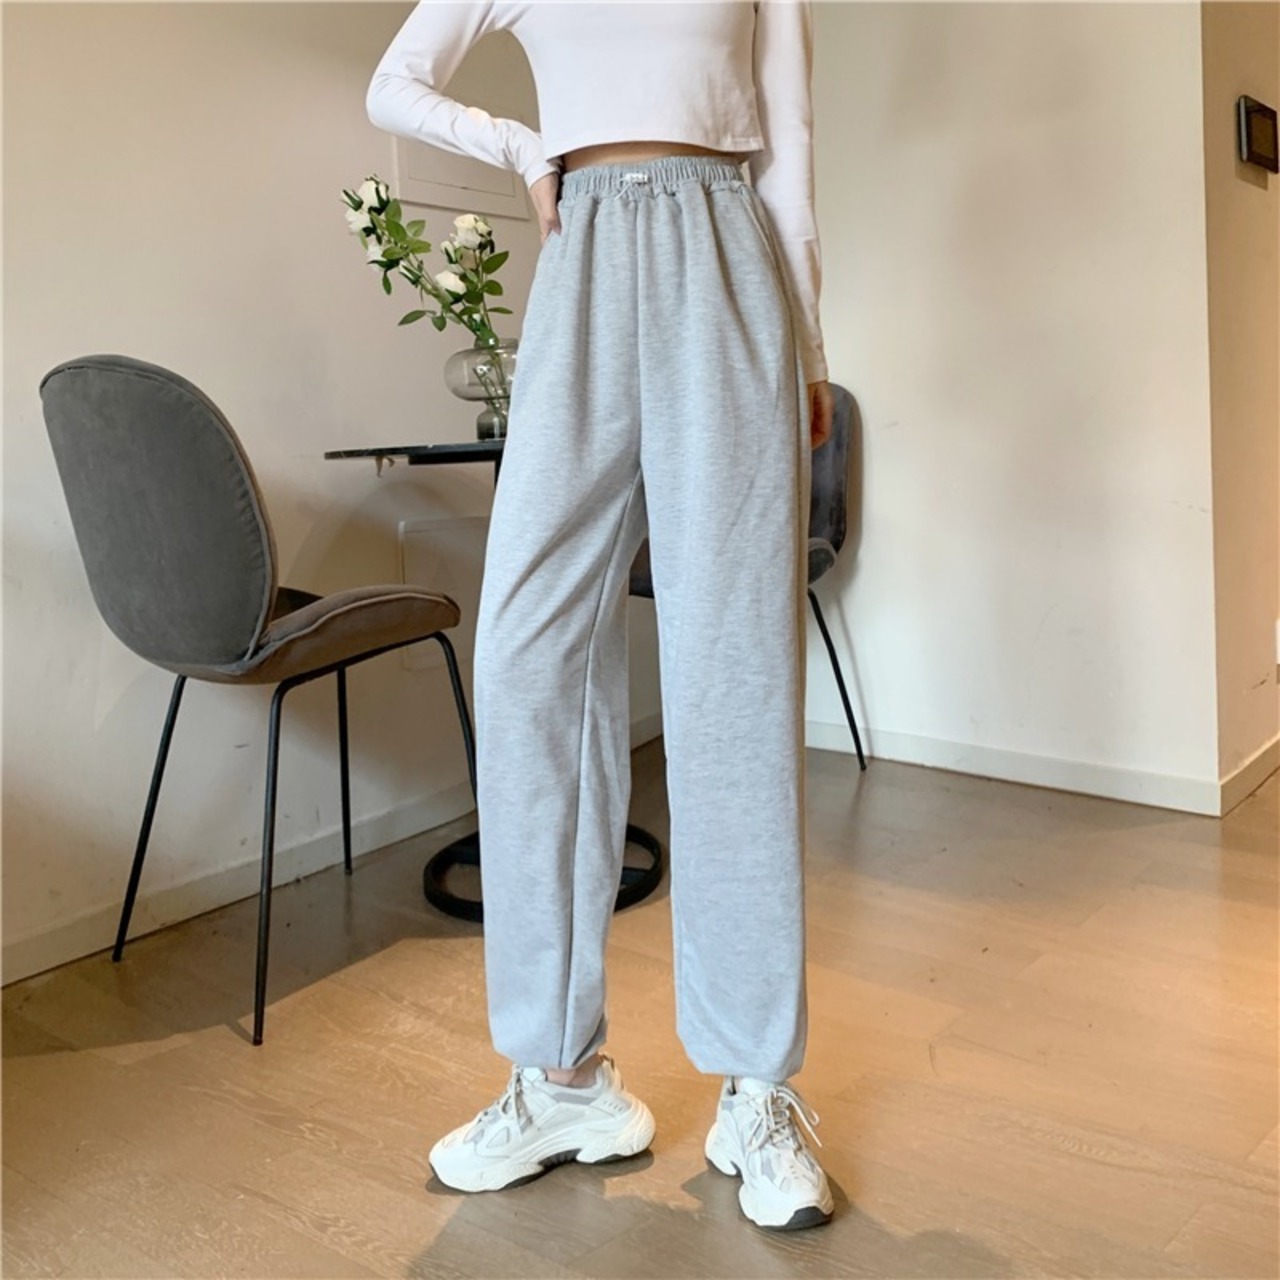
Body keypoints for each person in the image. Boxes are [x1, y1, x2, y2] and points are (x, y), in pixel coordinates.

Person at [366, 0, 835, 1232]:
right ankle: (561, 1075)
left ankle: (755, 1085)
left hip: (723, 253)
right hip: (578, 263)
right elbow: (394, 83)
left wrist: (808, 347)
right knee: (527, 656)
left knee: (732, 668)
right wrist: (525, 148)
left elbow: (786, 145)